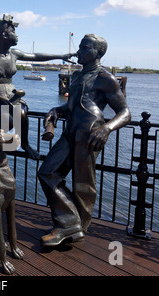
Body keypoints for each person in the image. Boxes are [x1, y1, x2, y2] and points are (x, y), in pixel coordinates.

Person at [37, 34, 131, 247]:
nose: (79, 51)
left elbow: (125, 113)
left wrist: (106, 128)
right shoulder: (77, 76)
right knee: (47, 172)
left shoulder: (104, 78)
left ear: (98, 53)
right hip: (70, 132)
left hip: (89, 134)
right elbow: (74, 106)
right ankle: (71, 224)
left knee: (83, 184)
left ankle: (70, 227)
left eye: (84, 47)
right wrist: (56, 110)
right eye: (79, 47)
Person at [0, 14, 75, 160]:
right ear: (4, 35)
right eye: (14, 32)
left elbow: (36, 56)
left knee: (23, 112)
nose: (17, 36)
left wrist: (60, 56)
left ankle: (25, 144)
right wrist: (2, 99)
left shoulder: (14, 54)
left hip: (12, 94)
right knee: (11, 119)